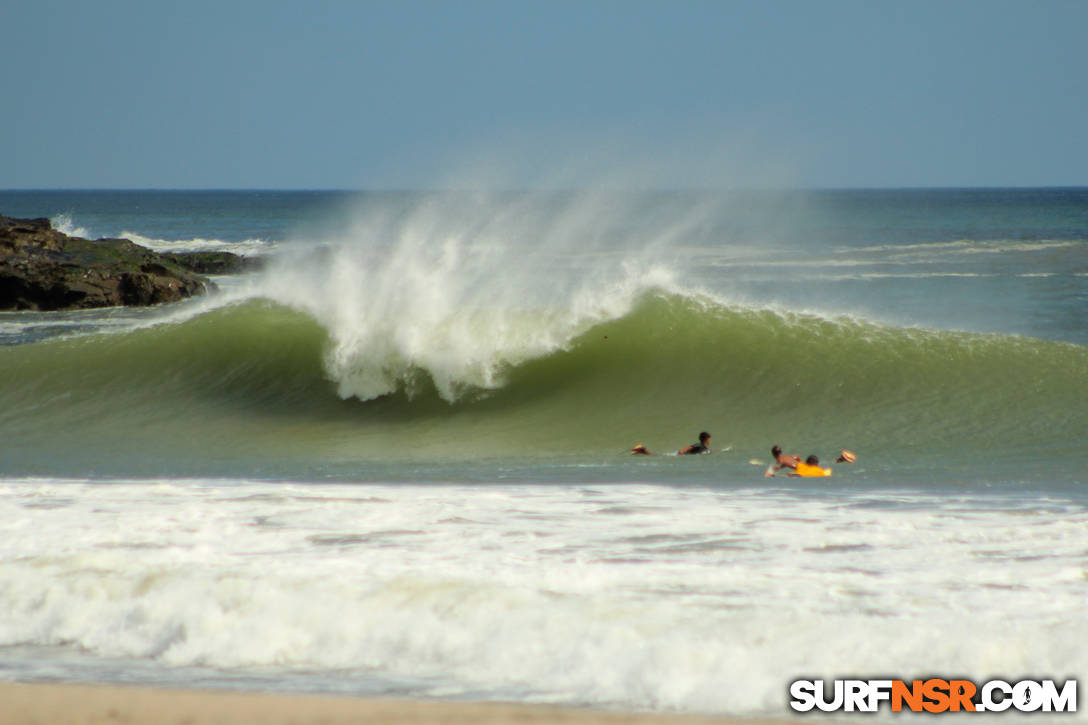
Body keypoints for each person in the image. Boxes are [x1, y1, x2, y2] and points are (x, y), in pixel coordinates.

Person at [631, 432, 711, 456]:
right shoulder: (699, 445)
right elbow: (688, 447)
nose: (709, 441)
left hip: (679, 454)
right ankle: (642, 450)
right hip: (677, 454)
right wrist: (680, 452)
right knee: (658, 456)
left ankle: (641, 451)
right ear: (706, 439)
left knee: (658, 456)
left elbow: (708, 452)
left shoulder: (704, 448)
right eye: (709, 439)